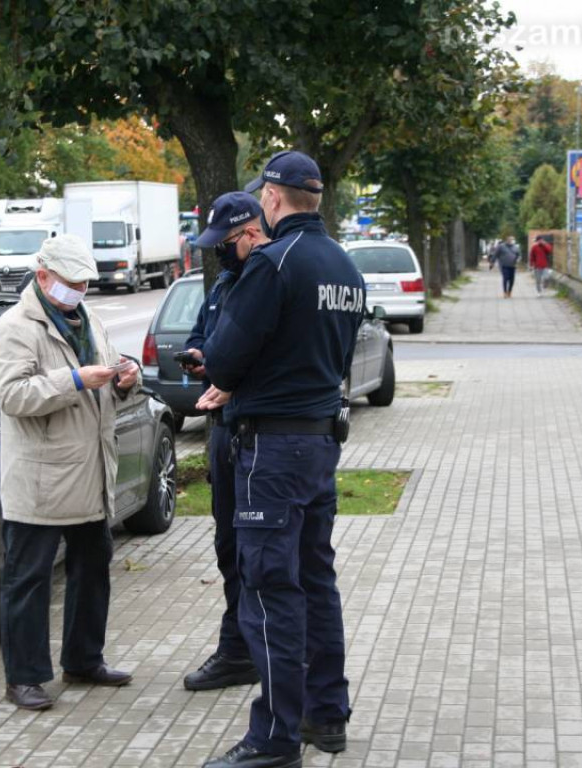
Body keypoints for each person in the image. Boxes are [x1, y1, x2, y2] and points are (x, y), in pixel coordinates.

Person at [197, 151, 364, 768]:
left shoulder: (274, 263)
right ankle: (328, 714)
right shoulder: (345, 265)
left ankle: (275, 737)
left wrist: (222, 361)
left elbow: (222, 361)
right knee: (316, 580)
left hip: (272, 449)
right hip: (320, 441)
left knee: (270, 589)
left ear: (271, 197)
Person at [0, 234, 139, 712]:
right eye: (72, 283)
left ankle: (84, 659)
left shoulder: (90, 318)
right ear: (43, 277)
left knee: (92, 569)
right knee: (28, 579)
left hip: (90, 472)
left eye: (85, 283)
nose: (80, 290)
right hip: (40, 479)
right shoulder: (16, 326)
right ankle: (25, 677)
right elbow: (13, 397)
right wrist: (74, 379)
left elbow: (104, 386)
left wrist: (123, 381)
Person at [179, 191, 268, 693]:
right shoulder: (225, 284)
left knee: (260, 554)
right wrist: (198, 354)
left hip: (257, 435)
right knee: (228, 548)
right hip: (224, 431)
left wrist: (222, 365)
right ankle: (237, 650)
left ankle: (250, 651)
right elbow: (204, 337)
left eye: (225, 242)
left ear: (251, 231)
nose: (219, 252)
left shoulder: (267, 281)